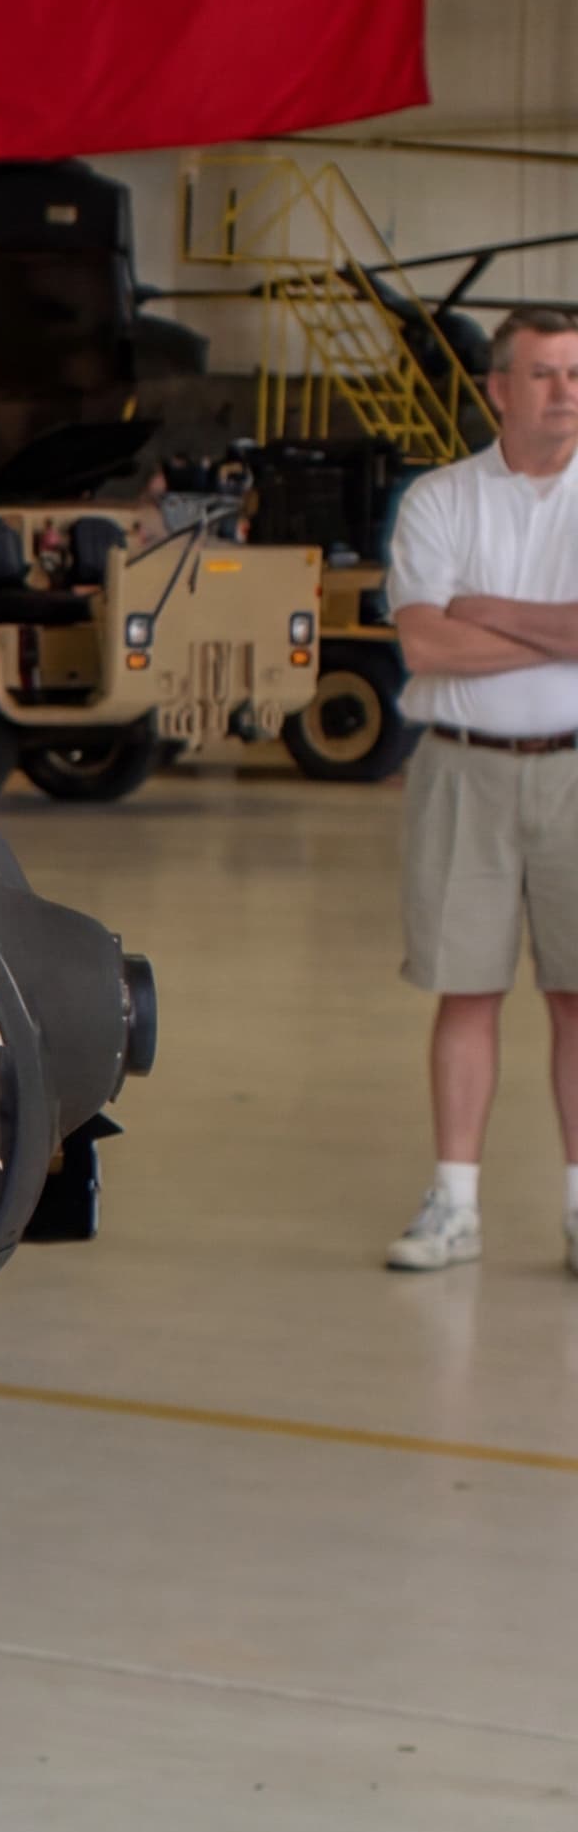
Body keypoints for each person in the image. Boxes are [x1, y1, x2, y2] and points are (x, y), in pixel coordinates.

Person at [375, 304, 578, 1277]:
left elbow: (459, 625)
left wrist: (486, 609)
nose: (566, 390)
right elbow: (424, 641)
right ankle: (454, 1203)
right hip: (463, 768)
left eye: (576, 372)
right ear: (499, 388)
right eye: (543, 373)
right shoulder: (441, 501)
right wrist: (557, 625)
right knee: (468, 989)